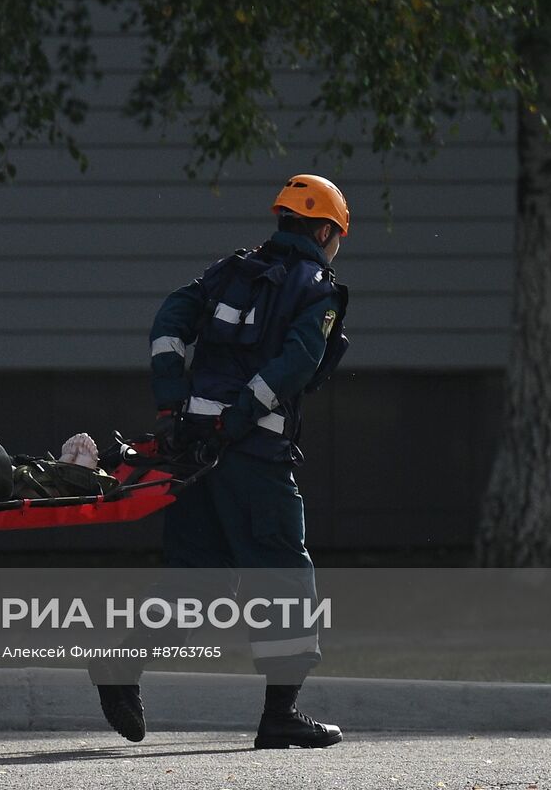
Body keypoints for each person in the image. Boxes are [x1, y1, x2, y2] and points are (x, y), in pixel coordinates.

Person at [92, 174, 350, 750]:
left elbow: (168, 325)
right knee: (284, 576)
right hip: (250, 454)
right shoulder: (317, 287)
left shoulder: (229, 270)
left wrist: (171, 407)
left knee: (197, 579)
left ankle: (120, 664)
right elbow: (294, 366)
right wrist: (234, 422)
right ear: (327, 231)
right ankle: (281, 715)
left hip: (192, 452)